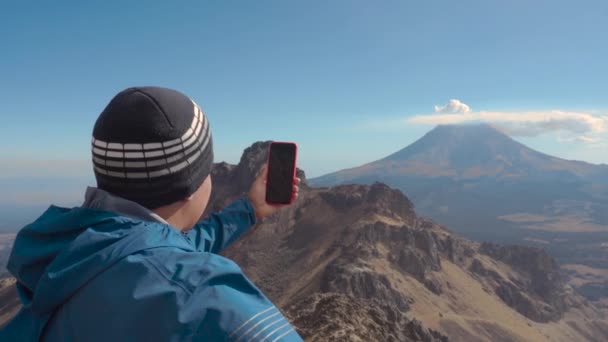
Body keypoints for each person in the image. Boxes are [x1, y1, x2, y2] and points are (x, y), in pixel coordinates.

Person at [0, 86, 304, 341]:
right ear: (191, 183)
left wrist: (249, 210)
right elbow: (169, 269)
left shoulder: (70, 252)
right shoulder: (203, 298)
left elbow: (156, 253)